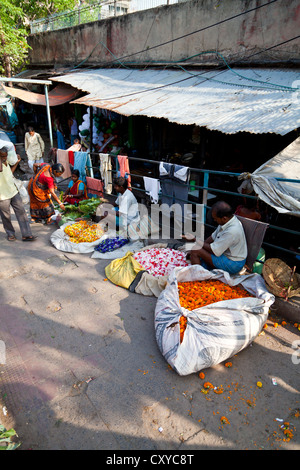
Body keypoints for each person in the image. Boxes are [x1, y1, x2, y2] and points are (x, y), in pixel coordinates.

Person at [190, 201, 247, 274]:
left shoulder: (232, 231)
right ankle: (201, 271)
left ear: (224, 218)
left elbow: (214, 250)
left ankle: (197, 277)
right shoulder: (227, 221)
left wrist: (196, 240)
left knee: (195, 250)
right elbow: (212, 237)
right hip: (226, 255)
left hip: (234, 263)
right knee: (197, 251)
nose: (214, 220)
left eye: (216, 218)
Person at [0, 146, 36, 241]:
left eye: (6, 155)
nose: (5, 157)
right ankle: (10, 234)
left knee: (21, 212)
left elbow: (9, 173)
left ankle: (26, 234)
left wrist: (16, 163)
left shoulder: (5, 162)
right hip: (2, 195)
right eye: (3, 156)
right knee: (6, 216)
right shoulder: (1, 162)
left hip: (13, 191)